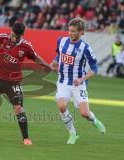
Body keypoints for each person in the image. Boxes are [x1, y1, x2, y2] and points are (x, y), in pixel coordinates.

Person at [0, 22, 52, 145]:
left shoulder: (26, 46)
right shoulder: (4, 38)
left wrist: (46, 65)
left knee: (18, 108)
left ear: (21, 35)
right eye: (12, 34)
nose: (12, 37)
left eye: (15, 35)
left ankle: (26, 138)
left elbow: (35, 57)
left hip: (13, 83)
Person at [51, 17, 106, 145]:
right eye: (69, 30)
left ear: (81, 32)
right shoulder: (61, 41)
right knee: (61, 106)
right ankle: (73, 133)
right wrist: (53, 63)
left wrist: (82, 78)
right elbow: (59, 55)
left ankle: (95, 120)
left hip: (78, 84)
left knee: (84, 113)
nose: (70, 33)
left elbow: (94, 68)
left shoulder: (85, 48)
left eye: (74, 31)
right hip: (63, 81)